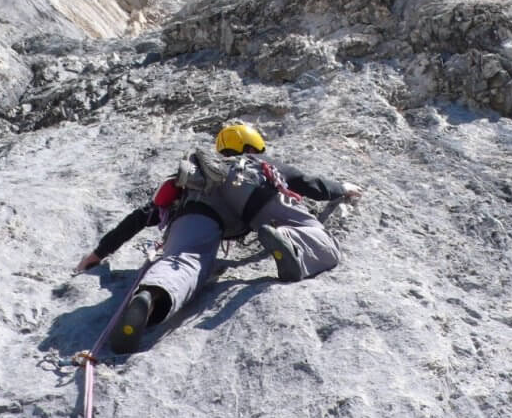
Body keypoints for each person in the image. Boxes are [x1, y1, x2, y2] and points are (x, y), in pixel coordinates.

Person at [75, 122, 361, 352]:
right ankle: (291, 243)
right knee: (312, 233)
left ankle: (153, 296)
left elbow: (139, 217)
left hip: (197, 205)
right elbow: (305, 183)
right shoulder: (256, 162)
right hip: (252, 193)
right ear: (252, 146)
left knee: (183, 261)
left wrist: (98, 255)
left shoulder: (195, 175)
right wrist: (341, 188)